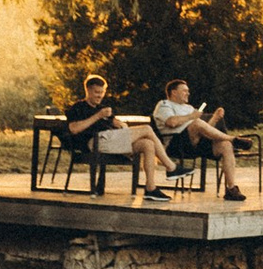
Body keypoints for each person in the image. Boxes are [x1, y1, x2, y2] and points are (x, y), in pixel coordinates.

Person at [51, 70, 174, 200]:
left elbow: (114, 123)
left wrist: (118, 123)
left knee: (147, 144)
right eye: (96, 92)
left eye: (102, 93)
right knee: (147, 129)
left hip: (110, 141)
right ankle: (171, 167)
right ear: (87, 90)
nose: (99, 96)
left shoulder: (103, 108)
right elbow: (74, 129)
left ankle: (150, 188)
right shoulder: (79, 107)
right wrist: (98, 116)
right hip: (94, 143)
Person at [151, 78, 247, 201]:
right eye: (184, 91)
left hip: (195, 143)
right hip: (175, 144)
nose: (188, 93)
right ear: (174, 92)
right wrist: (192, 117)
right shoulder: (164, 104)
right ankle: (233, 139)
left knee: (225, 145)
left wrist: (214, 118)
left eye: (188, 91)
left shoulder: (189, 107)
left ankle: (231, 189)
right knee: (196, 123)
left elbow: (206, 130)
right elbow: (171, 122)